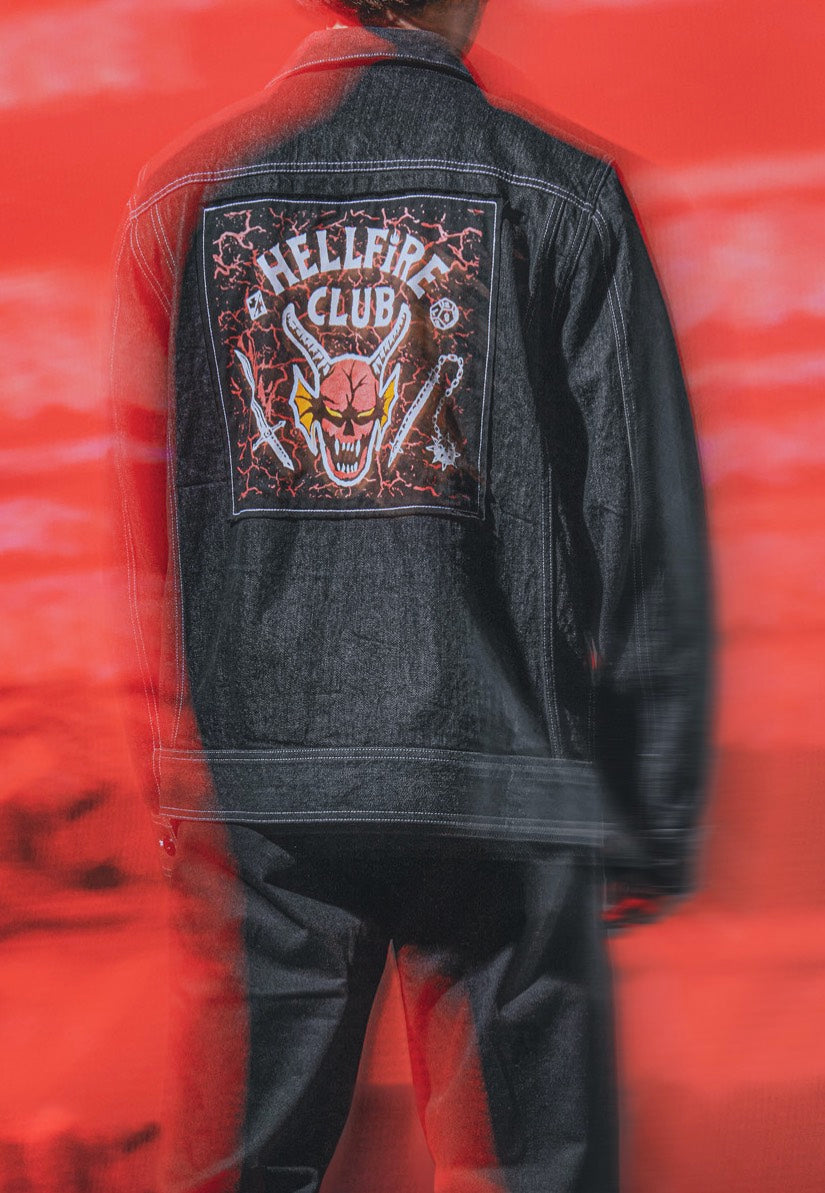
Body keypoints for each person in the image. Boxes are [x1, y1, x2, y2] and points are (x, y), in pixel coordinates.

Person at [108, 0, 715, 1189]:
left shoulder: (182, 194)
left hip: (261, 785)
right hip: (498, 776)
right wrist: (651, 802)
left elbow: (151, 515)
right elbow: (641, 524)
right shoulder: (565, 193)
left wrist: (175, 769)